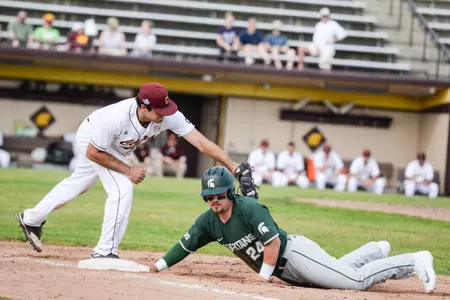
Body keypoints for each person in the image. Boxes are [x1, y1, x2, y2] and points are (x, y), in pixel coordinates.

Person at [16, 83, 258, 258]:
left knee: (82, 183)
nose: (165, 116)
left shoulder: (167, 115)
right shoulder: (115, 118)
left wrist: (234, 166)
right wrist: (128, 170)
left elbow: (201, 143)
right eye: (159, 112)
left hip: (112, 146)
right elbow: (93, 153)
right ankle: (104, 252)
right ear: (143, 106)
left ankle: (31, 219)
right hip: (92, 139)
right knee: (121, 188)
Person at [149, 166, 436, 294]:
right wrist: (157, 266)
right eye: (209, 197)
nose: (214, 201)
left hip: (295, 254)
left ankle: (413, 260)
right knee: (334, 275)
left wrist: (263, 278)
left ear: (230, 193)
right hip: (286, 271)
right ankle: (375, 251)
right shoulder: (208, 221)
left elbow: (272, 245)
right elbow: (184, 245)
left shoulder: (248, 208)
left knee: (356, 282)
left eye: (220, 196)